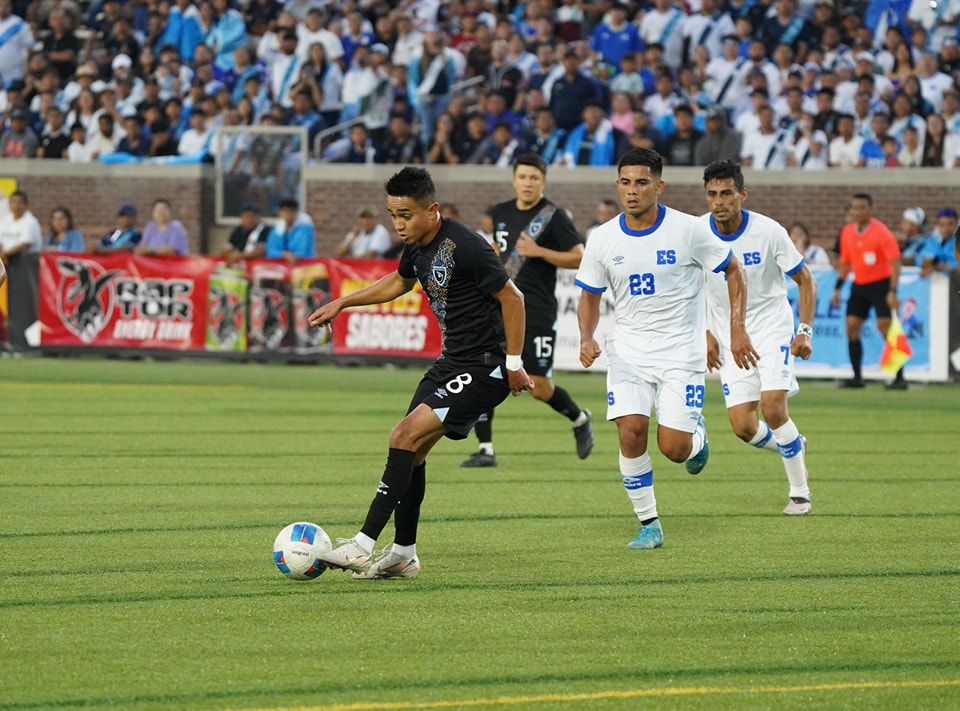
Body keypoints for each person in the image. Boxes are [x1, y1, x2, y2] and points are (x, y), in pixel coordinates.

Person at [306, 166, 533, 579]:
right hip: (451, 363)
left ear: (432, 210)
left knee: (402, 436)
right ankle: (404, 554)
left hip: (485, 366)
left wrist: (513, 364)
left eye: (406, 215)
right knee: (411, 452)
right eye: (394, 215)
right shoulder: (416, 245)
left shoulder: (467, 245)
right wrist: (343, 302)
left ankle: (361, 545)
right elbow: (399, 282)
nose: (398, 224)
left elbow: (512, 298)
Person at [576, 148, 756, 550]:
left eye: (642, 182)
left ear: (660, 186)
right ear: (617, 185)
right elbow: (589, 295)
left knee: (674, 450)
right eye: (626, 182)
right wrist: (587, 336)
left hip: (680, 354)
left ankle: (696, 436)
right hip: (628, 352)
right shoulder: (602, 238)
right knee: (631, 433)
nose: (632, 190)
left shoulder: (689, 230)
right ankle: (649, 524)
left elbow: (734, 269)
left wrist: (736, 328)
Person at [461, 153, 593, 468]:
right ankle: (486, 449)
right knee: (486, 371)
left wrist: (539, 251)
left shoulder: (553, 216)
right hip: (501, 306)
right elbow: (500, 250)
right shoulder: (501, 212)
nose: (528, 183)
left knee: (538, 386)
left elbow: (580, 256)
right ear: (514, 180)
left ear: (543, 181)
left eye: (534, 177)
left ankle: (579, 418)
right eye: (522, 177)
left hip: (537, 310)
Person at [701, 160, 816, 516]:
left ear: (743, 194)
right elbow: (689, 287)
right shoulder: (697, 233)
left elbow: (805, 279)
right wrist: (706, 332)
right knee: (743, 427)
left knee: (773, 406)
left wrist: (804, 330)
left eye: (727, 193)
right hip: (727, 334)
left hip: (770, 328)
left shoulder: (769, 231)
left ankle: (800, 494)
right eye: (712, 194)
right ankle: (793, 444)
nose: (719, 201)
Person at [831, 193, 904, 390]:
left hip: (881, 284)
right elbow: (846, 263)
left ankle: (899, 377)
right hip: (860, 285)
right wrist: (837, 288)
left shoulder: (882, 232)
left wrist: (892, 290)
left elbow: (895, 263)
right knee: (851, 326)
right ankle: (857, 377)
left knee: (885, 327)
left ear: (871, 209)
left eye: (862, 207)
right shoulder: (847, 232)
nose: (858, 211)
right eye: (855, 207)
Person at [265, 196, 316, 264]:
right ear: (280, 213)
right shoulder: (276, 229)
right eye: (285, 212)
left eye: (291, 212)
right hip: (280, 266)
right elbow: (270, 250)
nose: (288, 215)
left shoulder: (305, 228)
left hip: (303, 265)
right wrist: (283, 254)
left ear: (296, 213)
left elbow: (303, 251)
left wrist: (290, 256)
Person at [0, 190, 42, 260]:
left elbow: (25, 245)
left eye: (20, 203)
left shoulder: (31, 221)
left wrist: (4, 254)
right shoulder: (4, 221)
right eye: (14, 202)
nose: (17, 206)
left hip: (25, 261)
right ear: (9, 205)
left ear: (26, 205)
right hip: (6, 260)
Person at [917, 207, 958, 277]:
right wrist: (932, 262)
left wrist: (948, 265)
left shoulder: (958, 242)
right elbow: (919, 259)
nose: (946, 228)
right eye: (942, 225)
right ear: (938, 226)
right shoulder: (931, 241)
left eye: (950, 224)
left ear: (956, 224)